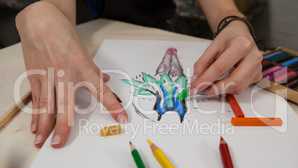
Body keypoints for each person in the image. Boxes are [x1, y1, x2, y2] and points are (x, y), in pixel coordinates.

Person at [14, 0, 263, 148]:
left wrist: (230, 19)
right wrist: (44, 12)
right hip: (84, 35)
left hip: (154, 26)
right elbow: (58, 10)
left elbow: (220, 7)